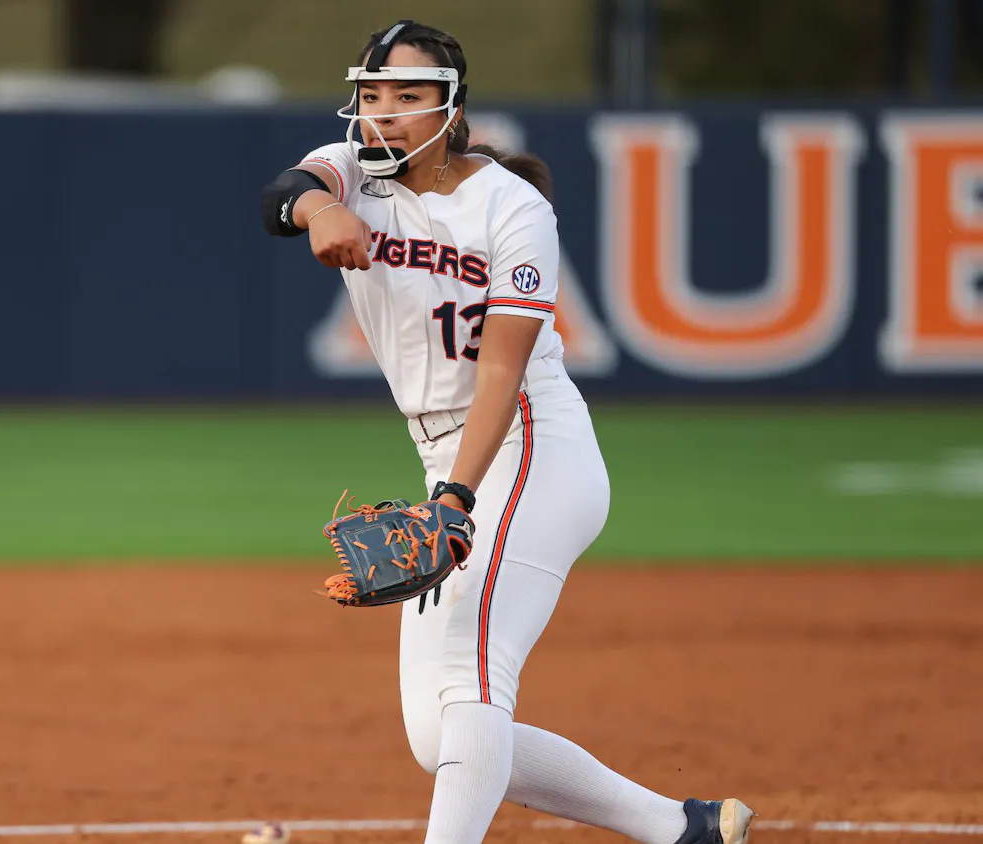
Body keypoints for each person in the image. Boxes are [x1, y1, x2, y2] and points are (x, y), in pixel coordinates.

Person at [258, 19, 755, 844]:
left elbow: (502, 371)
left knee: (474, 681)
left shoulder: (512, 207)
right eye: (372, 93)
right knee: (437, 735)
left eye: (409, 97)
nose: (383, 112)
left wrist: (457, 496)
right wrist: (317, 212)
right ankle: (685, 829)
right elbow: (284, 191)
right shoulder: (350, 172)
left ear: (452, 111)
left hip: (529, 449)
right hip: (445, 459)